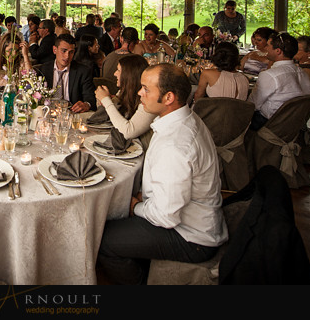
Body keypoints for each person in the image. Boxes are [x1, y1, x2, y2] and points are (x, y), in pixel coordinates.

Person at [97, 64, 227, 284]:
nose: (139, 93)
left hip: (191, 237)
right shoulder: (184, 120)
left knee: (103, 240)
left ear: (168, 98)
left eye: (146, 89)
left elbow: (166, 217)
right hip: (192, 222)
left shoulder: (175, 145)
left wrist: (135, 206)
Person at [250, 32, 310, 129]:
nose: (266, 48)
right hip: (294, 124)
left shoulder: (270, 75)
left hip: (270, 124)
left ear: (278, 51)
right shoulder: (304, 74)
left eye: (268, 45)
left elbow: (252, 105)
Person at [94, 54, 154, 142]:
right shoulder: (124, 91)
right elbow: (108, 115)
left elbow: (127, 132)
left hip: (143, 150)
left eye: (118, 70)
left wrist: (106, 100)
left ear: (129, 75)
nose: (115, 74)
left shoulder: (148, 101)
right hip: (127, 146)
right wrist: (102, 99)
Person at [35, 33, 96, 113]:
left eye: (71, 52)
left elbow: (90, 98)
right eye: (64, 51)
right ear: (54, 50)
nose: (67, 56)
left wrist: (86, 104)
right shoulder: (44, 70)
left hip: (72, 114)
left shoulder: (83, 71)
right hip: (48, 113)